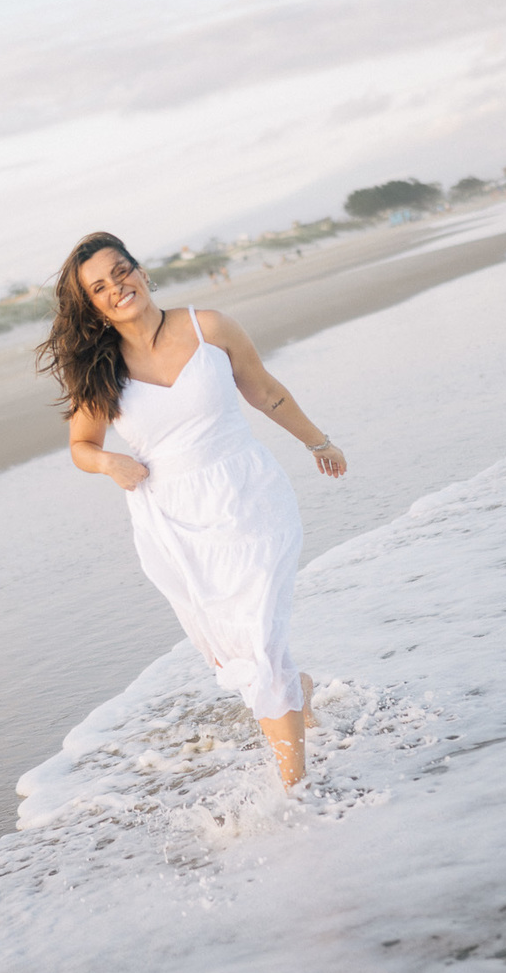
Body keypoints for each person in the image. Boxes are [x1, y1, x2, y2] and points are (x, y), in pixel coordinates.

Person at [37, 231, 347, 788]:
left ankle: (295, 791)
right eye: (99, 287)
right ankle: (295, 693)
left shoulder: (211, 327)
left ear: (141, 270)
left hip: (251, 499)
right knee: (236, 649)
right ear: (90, 305)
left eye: (121, 271)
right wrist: (110, 464)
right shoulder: (100, 371)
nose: (117, 288)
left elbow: (265, 392)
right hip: (176, 522)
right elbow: (81, 446)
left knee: (259, 640)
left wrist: (318, 442)